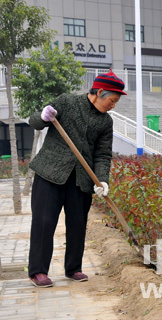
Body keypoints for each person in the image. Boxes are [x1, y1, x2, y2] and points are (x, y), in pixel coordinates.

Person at [27, 70, 126, 287]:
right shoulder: (67, 102)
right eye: (112, 100)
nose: (113, 105)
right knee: (44, 223)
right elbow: (35, 121)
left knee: (77, 224)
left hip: (81, 178)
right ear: (99, 92)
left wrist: (102, 180)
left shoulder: (106, 122)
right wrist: (43, 116)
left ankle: (73, 268)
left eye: (115, 102)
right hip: (50, 174)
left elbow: (102, 154)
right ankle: (38, 271)